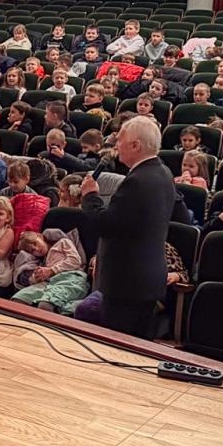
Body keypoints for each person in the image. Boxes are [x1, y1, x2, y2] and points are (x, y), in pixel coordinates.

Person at [77, 117, 176, 337]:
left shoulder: (138, 181)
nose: (115, 145)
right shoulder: (163, 173)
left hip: (127, 282)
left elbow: (107, 225)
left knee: (118, 348)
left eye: (119, 140)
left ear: (136, 145)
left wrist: (90, 195)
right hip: (145, 279)